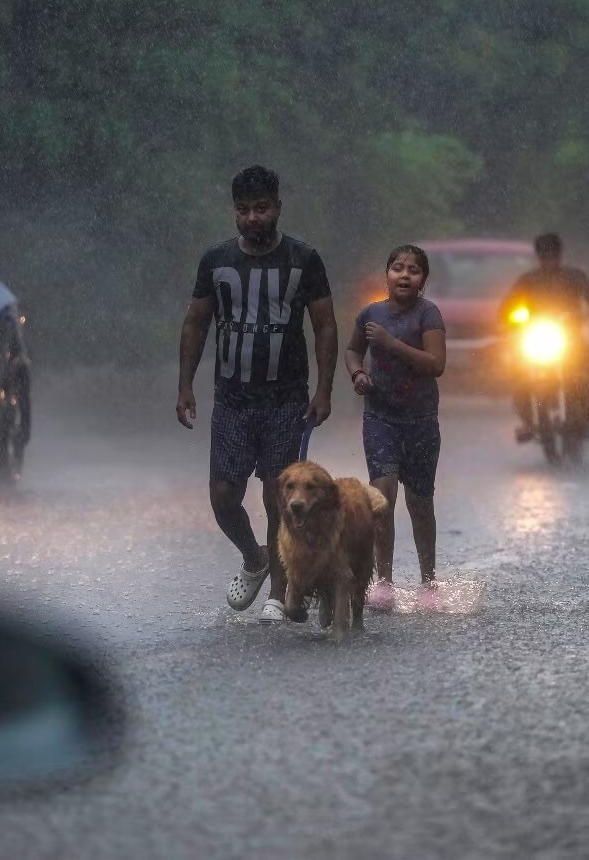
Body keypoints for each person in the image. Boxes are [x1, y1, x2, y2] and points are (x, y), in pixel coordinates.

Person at [176, 166, 337, 624]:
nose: (253, 218)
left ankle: (282, 592)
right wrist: (185, 384)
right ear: (235, 213)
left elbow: (324, 323)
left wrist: (323, 389)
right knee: (223, 495)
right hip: (232, 398)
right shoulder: (216, 260)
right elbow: (196, 322)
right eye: (244, 210)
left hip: (286, 397)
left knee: (278, 495)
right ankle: (255, 556)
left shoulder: (303, 259)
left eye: (261, 208)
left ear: (278, 208)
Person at [344, 245, 447, 612]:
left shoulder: (428, 314)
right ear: (386, 274)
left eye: (414, 270)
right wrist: (357, 373)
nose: (405, 275)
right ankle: (383, 582)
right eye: (398, 268)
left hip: (420, 421)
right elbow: (353, 350)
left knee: (419, 503)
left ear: (423, 280)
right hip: (380, 417)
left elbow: (436, 364)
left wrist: (391, 343)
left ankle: (428, 582)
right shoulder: (370, 313)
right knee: (382, 498)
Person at [500, 233, 589, 441]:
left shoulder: (574, 276)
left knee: (585, 371)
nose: (549, 260)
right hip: (536, 338)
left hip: (571, 337)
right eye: (544, 255)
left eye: (552, 255)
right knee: (520, 378)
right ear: (538, 257)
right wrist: (507, 319)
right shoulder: (528, 280)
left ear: (559, 255)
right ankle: (529, 421)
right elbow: (508, 305)